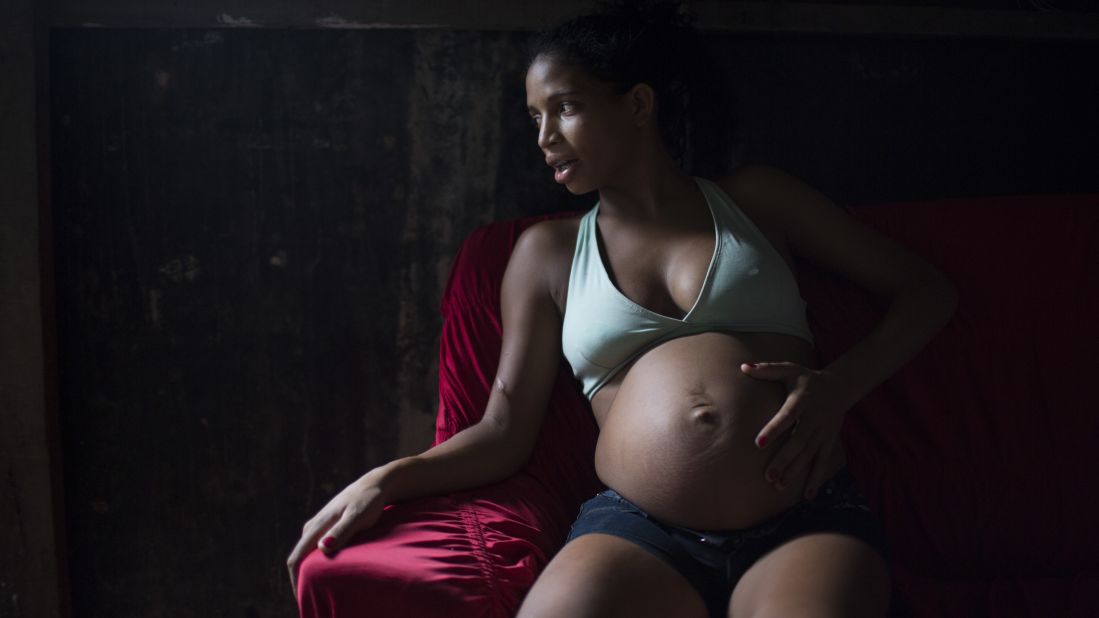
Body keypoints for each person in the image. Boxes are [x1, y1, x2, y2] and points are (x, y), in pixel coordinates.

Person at [287, 1, 958, 616]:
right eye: (534, 117)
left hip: (800, 517)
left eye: (566, 107)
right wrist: (388, 477)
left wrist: (838, 388)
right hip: (637, 531)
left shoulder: (757, 200)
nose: (545, 136)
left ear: (637, 104)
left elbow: (925, 290)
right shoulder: (545, 254)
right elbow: (501, 430)